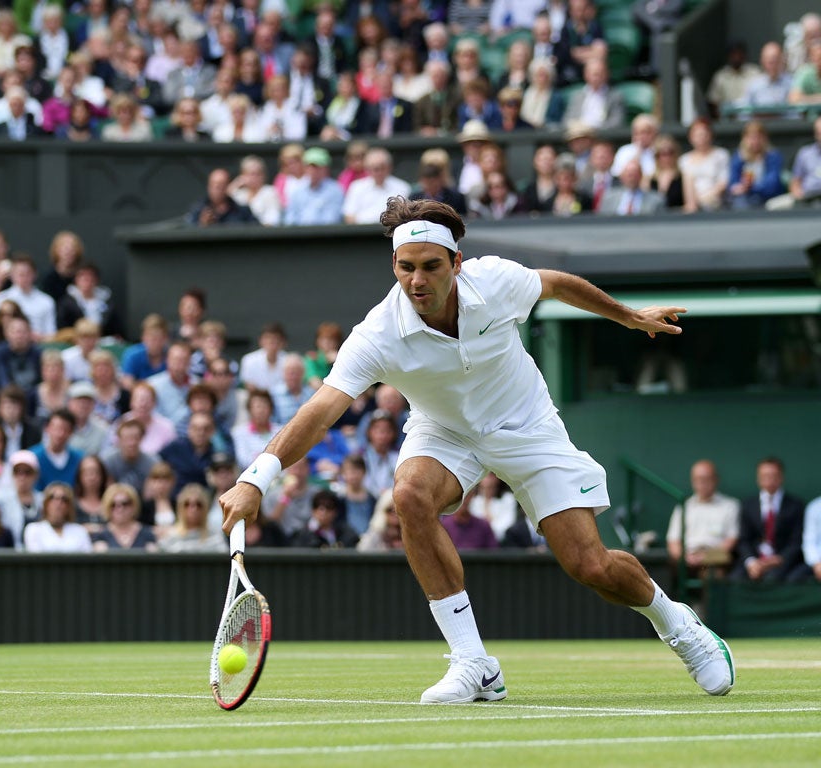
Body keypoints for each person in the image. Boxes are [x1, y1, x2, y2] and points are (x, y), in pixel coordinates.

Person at [219, 196, 735, 703]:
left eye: (430, 267)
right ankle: (474, 663)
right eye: (405, 268)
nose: (417, 281)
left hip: (527, 425)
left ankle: (679, 625)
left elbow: (555, 283)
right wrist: (255, 478)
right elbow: (320, 410)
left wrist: (626, 316)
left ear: (456, 263)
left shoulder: (496, 280)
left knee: (591, 567)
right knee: (411, 495)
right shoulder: (377, 334)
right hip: (445, 432)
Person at [733, 457, 805, 583]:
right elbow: (743, 540)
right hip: (754, 561)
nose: (770, 480)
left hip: (782, 562)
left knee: (773, 579)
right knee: (734, 580)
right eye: (765, 475)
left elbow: (796, 541)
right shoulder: (748, 505)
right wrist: (752, 562)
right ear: (758, 478)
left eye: (774, 475)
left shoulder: (795, 505)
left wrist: (779, 559)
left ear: (781, 477)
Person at [666, 459, 739, 578]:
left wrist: (706, 557)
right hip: (687, 557)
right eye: (697, 480)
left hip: (714, 558)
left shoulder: (730, 506)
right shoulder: (684, 506)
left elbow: (731, 540)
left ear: (716, 480)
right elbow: (673, 541)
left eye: (706, 479)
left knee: (714, 574)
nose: (702, 484)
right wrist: (684, 557)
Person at [727, 121, 785, 210]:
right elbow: (733, 183)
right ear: (744, 139)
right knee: (739, 201)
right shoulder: (738, 157)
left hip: (769, 198)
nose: (755, 142)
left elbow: (771, 186)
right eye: (751, 138)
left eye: (758, 138)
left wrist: (751, 188)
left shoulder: (773, 156)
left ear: (765, 138)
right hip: (745, 199)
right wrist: (739, 188)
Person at [282, 146, 345, 226]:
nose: (312, 170)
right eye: (308, 166)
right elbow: (290, 219)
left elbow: (332, 220)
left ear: (325, 168)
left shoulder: (336, 190)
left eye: (316, 166)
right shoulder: (297, 192)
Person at [22, 481, 92, 552]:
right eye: (52, 498)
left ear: (69, 506)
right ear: (45, 503)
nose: (58, 503)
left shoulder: (80, 531)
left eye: (64, 499)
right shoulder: (33, 529)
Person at [157, 482, 227, 552]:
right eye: (187, 504)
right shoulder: (170, 537)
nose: (193, 509)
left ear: (205, 508)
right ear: (180, 508)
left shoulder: (215, 537)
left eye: (198, 504)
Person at [680, 119, 730, 213]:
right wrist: (693, 203)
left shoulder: (721, 155)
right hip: (693, 207)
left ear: (710, 135)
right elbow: (687, 184)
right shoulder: (684, 160)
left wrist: (705, 199)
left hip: (717, 206)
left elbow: (723, 183)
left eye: (704, 134)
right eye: (698, 135)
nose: (701, 138)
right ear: (691, 137)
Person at [92, 482, 157, 551]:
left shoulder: (147, 534)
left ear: (134, 505)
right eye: (113, 505)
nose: (119, 509)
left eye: (125, 504)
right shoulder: (101, 536)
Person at [186, 167, 259, 227]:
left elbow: (257, 230)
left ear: (228, 186)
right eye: (214, 185)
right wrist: (202, 225)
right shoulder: (198, 210)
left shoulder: (243, 212)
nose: (217, 189)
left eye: (221, 185)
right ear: (208, 186)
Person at [290, 488, 359, 549]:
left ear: (335, 512)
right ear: (313, 511)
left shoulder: (344, 532)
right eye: (318, 507)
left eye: (328, 507)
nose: (323, 512)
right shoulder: (302, 535)